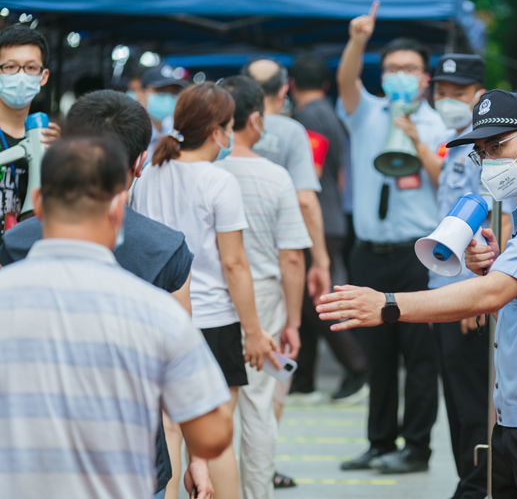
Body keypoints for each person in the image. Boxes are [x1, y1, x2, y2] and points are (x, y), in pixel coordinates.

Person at [318, 90, 517, 498]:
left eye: (498, 146)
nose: (490, 161)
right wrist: (495, 267)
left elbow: (492, 296)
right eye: (482, 152)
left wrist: (389, 304)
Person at [0, 89, 211, 499]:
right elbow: (183, 388)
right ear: (140, 162)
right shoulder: (165, 248)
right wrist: (198, 459)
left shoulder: (16, 244)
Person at [132, 82, 280, 499]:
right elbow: (234, 264)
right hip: (214, 321)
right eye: (229, 126)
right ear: (217, 131)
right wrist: (253, 330)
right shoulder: (219, 182)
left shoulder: (148, 174)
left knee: (170, 432)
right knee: (214, 438)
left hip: (159, 319)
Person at [335, 1, 449, 474]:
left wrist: (417, 141)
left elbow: (447, 180)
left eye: (410, 68)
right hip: (370, 253)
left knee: (419, 356)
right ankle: (379, 441)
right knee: (378, 356)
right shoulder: (367, 112)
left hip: (417, 254)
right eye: (392, 67)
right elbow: (345, 82)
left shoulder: (439, 124)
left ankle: (416, 448)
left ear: (425, 79)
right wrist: (358, 39)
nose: (400, 74)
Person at [216, 75, 311, 499]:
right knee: (258, 405)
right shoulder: (275, 177)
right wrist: (293, 322)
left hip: (209, 298)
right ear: (256, 118)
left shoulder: (203, 171)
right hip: (265, 296)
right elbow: (292, 256)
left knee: (208, 402)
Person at [428, 53, 510, 499]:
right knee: (457, 402)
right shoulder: (455, 143)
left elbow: (499, 222)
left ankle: (479, 486)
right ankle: (470, 482)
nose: (447, 101)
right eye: (441, 93)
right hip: (443, 287)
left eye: (457, 94)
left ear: (478, 95)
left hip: (467, 290)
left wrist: (476, 292)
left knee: (475, 399)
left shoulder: (491, 152)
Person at [290, 53, 369, 403]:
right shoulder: (332, 115)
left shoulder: (310, 117)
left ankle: (358, 368)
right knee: (308, 300)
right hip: (331, 215)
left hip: (317, 220)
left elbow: (313, 171)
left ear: (291, 85)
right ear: (324, 84)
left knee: (319, 300)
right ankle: (302, 379)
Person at [243, 57, 331, 308]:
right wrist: (320, 261)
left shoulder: (226, 133)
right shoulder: (293, 131)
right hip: (278, 254)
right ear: (284, 90)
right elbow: (305, 200)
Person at [0, 24, 60, 233]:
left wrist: (63, 156)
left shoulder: (50, 138)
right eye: (10, 67)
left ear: (43, 77)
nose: (21, 75)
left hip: (29, 258)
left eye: (31, 68)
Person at [134, 64, 186, 164]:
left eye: (173, 92)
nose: (168, 97)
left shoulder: (178, 129)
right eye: (160, 91)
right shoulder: (132, 131)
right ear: (141, 94)